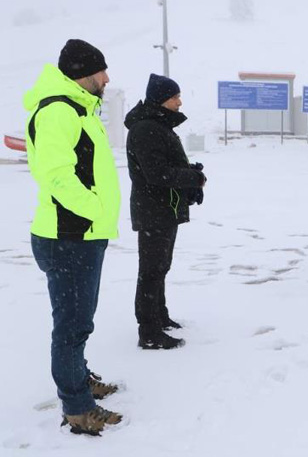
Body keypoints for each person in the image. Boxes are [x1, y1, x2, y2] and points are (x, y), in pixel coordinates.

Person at [24, 39, 123, 435]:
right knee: (71, 328)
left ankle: (80, 380)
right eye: (101, 71)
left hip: (80, 236)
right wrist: (96, 209)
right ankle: (78, 409)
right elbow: (57, 177)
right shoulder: (58, 112)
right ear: (83, 73)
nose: (107, 78)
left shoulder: (78, 109)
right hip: (68, 237)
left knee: (79, 321)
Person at [125, 74, 206, 350]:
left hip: (163, 209)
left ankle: (159, 316)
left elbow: (165, 165)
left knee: (160, 267)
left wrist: (189, 173)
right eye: (175, 97)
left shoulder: (158, 125)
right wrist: (192, 178)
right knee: (151, 271)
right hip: (153, 210)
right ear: (161, 100)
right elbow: (157, 174)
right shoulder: (146, 129)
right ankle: (149, 332)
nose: (179, 102)